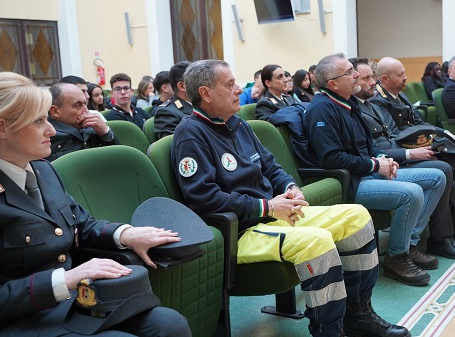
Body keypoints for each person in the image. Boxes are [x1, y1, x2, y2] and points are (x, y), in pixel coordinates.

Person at [172, 59, 411, 337]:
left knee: (356, 216)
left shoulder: (237, 124)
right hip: (241, 231)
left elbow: (271, 166)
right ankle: (328, 330)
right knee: (318, 240)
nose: (239, 89)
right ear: (206, 94)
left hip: (272, 216)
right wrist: (269, 206)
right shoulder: (190, 134)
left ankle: (357, 314)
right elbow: (203, 198)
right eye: (230, 84)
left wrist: (290, 186)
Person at [0, 72, 191, 337]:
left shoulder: (43, 170)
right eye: (39, 121)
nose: (52, 130)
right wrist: (66, 279)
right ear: (1, 128)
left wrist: (124, 233)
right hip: (22, 319)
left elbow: (80, 222)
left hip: (73, 301)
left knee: (171, 325)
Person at [303, 53, 447, 286]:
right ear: (333, 84)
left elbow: (368, 145)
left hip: (366, 171)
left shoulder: (350, 103)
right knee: (410, 193)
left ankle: (407, 244)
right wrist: (374, 164)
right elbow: (331, 158)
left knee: (436, 177)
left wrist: (383, 159)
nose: (356, 74)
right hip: (350, 182)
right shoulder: (322, 109)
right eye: (349, 72)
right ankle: (396, 256)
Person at [362, 57, 455, 255]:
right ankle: (442, 236)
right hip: (401, 154)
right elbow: (394, 137)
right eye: (400, 75)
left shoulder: (399, 96)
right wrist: (419, 148)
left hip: (413, 146)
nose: (405, 78)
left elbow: (418, 123)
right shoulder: (378, 101)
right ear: (385, 79)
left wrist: (444, 135)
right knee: (449, 164)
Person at [46, 83, 119, 161]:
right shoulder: (46, 136)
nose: (86, 110)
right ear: (55, 111)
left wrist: (105, 132)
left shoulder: (93, 127)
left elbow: (120, 160)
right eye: (78, 105)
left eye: (85, 104)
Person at [154, 61, 193, 140]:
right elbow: (177, 144)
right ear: (182, 86)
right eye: (195, 81)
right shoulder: (166, 112)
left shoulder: (203, 104)